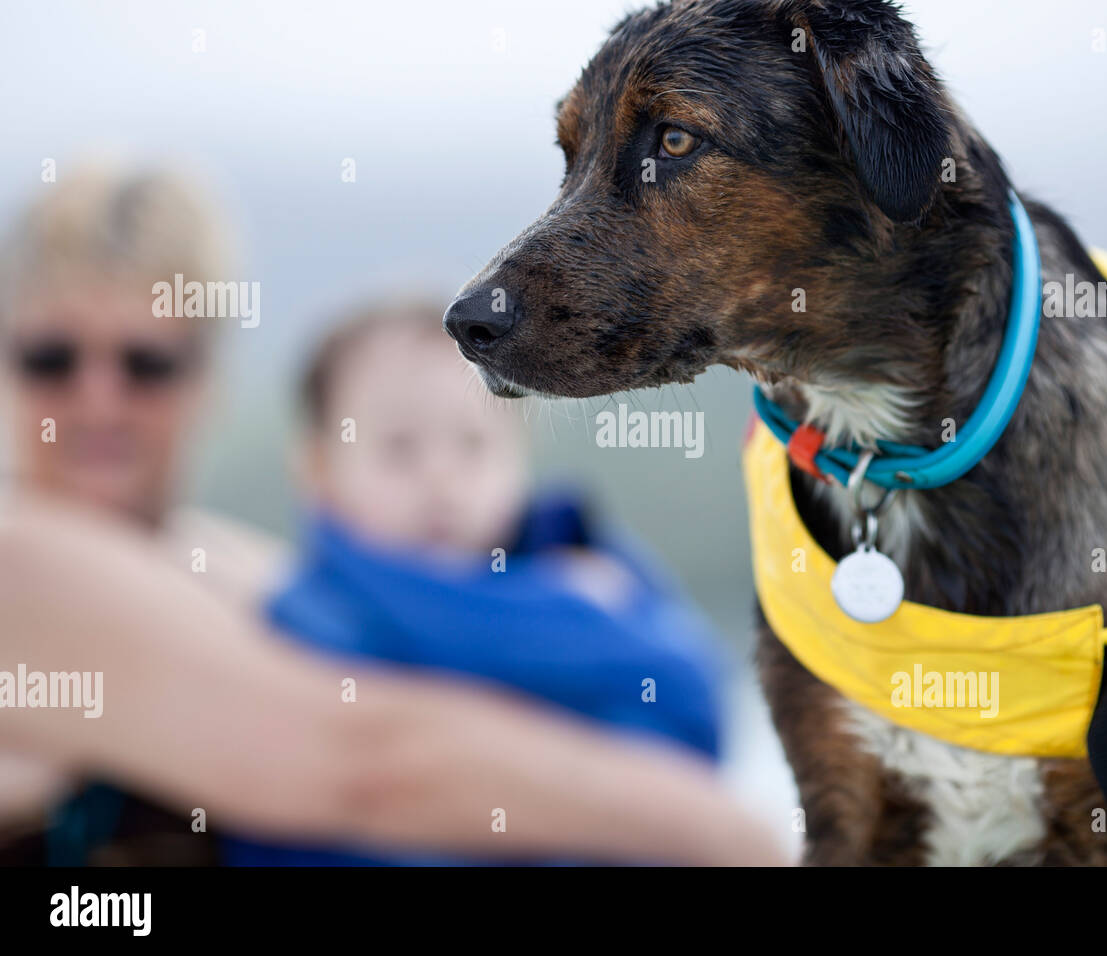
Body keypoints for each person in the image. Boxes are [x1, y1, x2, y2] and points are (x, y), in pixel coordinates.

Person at [0, 165, 786, 866]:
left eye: (146, 363)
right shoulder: (16, 561)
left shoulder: (233, 569)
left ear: (207, 380)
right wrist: (728, 835)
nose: (96, 399)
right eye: (52, 359)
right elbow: (360, 762)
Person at [224, 302, 724, 864]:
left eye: (473, 444)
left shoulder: (591, 572)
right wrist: (567, 613)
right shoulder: (308, 621)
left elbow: (691, 704)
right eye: (399, 447)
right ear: (317, 469)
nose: (441, 477)